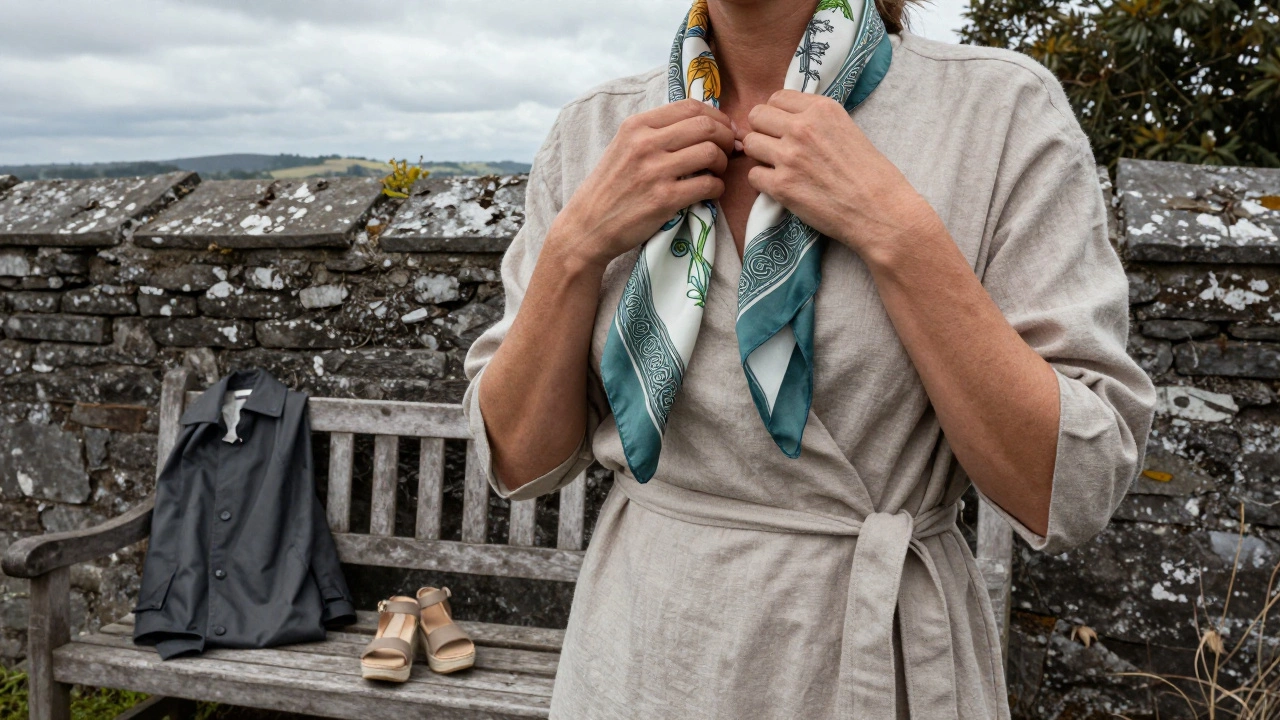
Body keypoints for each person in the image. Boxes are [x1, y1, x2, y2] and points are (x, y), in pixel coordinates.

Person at [462, 0, 1156, 716]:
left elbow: (1071, 486)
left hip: (868, 660)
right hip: (641, 660)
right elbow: (517, 463)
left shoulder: (998, 111)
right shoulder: (594, 132)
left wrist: (897, 230)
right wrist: (574, 249)